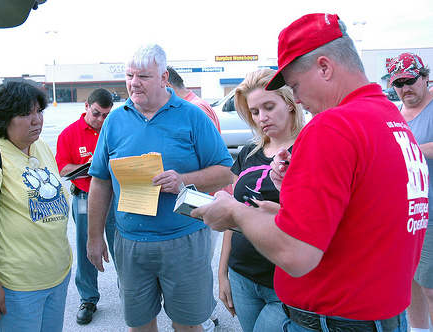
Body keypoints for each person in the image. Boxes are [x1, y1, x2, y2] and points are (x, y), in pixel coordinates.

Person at [192, 13, 429, 332]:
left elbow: (296, 253)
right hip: (380, 315)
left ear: (324, 67)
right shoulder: (390, 119)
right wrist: (284, 208)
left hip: (337, 320)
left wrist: (235, 213)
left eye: (294, 85)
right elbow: (367, 216)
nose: (298, 99)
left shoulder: (333, 126)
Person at [87, 43, 234, 332]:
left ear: (164, 77)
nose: (133, 83)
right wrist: (94, 238)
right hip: (130, 244)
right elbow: (100, 181)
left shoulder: (192, 116)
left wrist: (184, 180)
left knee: (188, 325)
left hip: (185, 242)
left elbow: (225, 173)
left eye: (143, 76)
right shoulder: (115, 120)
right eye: (129, 76)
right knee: (139, 325)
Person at [0, 81, 72, 331]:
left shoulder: (40, 146)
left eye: (39, 111)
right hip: (16, 287)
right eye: (25, 113)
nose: (36, 119)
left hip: (57, 277)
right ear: (4, 117)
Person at [218, 68, 304, 332]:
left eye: (269, 106)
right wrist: (222, 273)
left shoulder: (308, 149)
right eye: (255, 112)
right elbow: (234, 213)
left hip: (284, 280)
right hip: (241, 275)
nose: (262, 118)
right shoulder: (248, 153)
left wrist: (278, 213)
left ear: (289, 104)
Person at [166, 65, 225, 331]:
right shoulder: (200, 104)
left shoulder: (194, 110)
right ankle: (205, 313)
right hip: (204, 199)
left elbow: (212, 163)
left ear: (168, 85)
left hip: (203, 200)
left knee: (197, 267)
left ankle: (204, 317)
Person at [55, 88, 116, 325]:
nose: (100, 120)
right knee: (86, 246)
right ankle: (88, 298)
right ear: (86, 106)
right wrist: (88, 166)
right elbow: (62, 168)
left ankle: (129, 292)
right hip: (83, 198)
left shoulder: (113, 129)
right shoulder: (69, 134)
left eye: (105, 115)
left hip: (113, 198)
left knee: (120, 246)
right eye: (96, 114)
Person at [388, 52, 433, 332]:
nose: (405, 88)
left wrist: (409, 150)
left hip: (431, 216)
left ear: (425, 77)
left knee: (430, 288)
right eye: (398, 83)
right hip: (404, 215)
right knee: (409, 285)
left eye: (411, 80)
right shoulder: (395, 114)